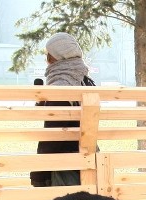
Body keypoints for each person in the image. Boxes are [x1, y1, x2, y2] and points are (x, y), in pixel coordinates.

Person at [29, 32, 96, 187]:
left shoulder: (60, 90)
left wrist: (38, 176)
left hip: (64, 170)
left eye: (47, 55)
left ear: (53, 59)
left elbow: (52, 141)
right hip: (89, 165)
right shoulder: (86, 82)